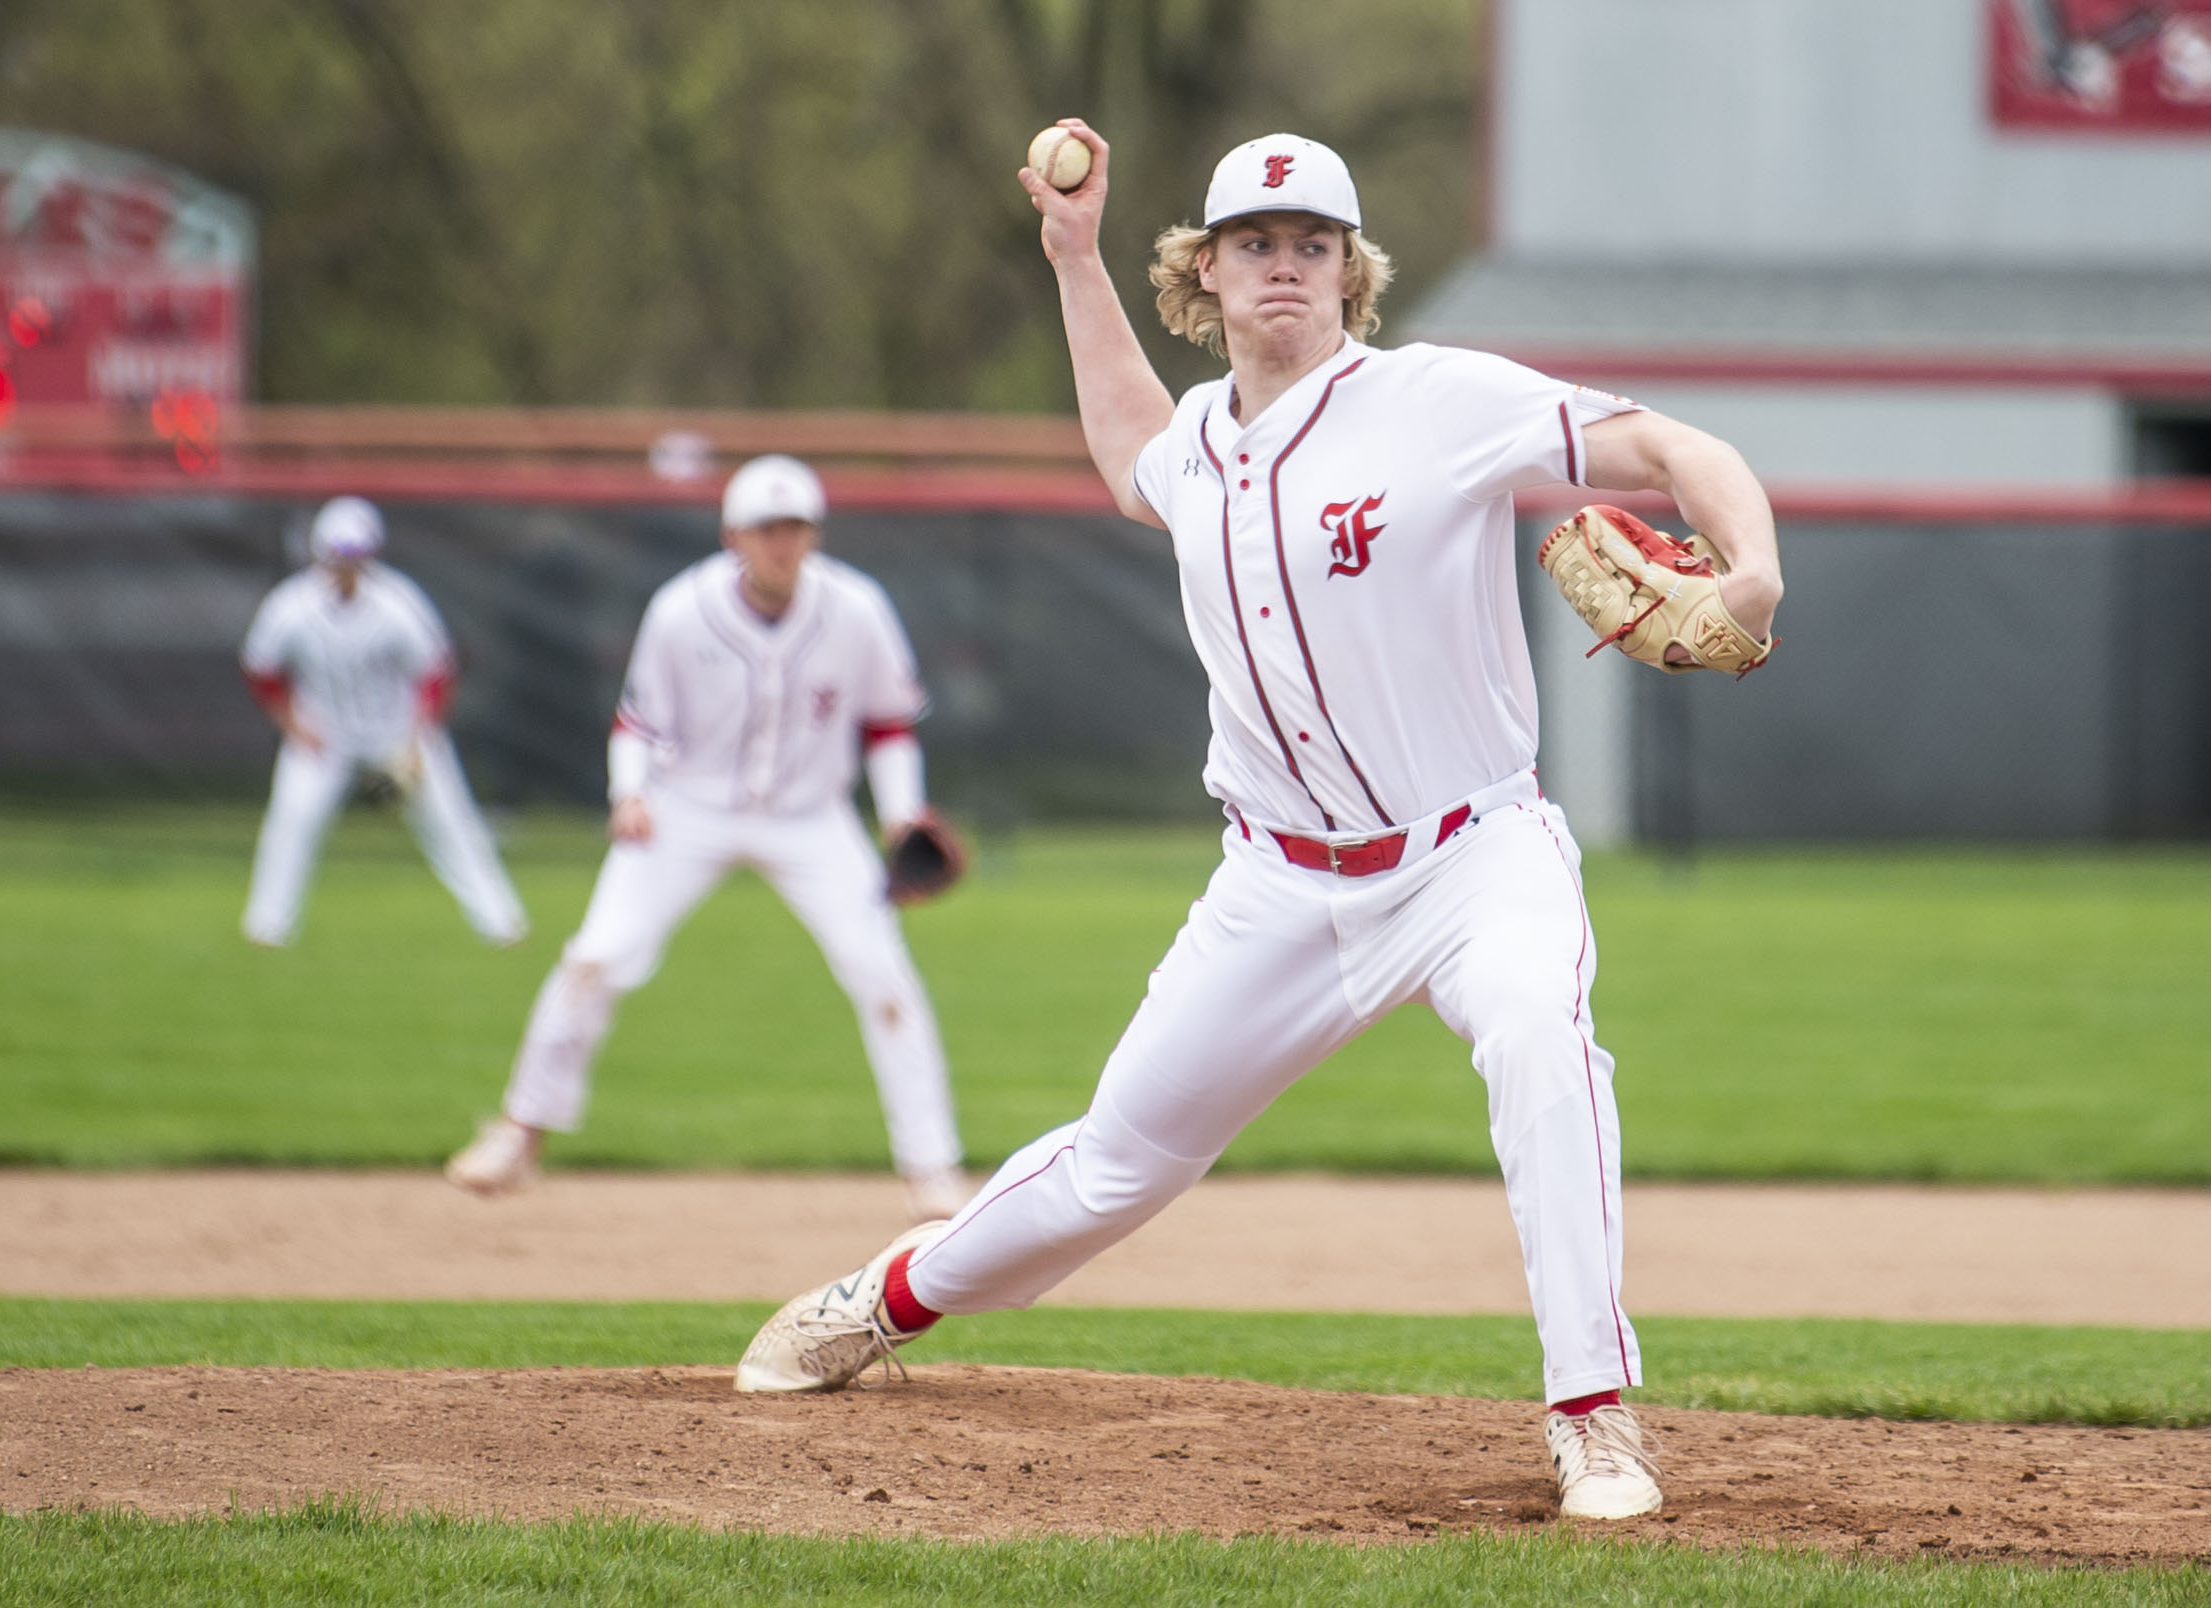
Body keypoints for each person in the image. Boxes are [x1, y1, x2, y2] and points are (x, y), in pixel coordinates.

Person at [731, 126, 1784, 1524]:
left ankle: (1594, 1416)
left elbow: (1667, 443)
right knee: (1115, 1164)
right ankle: (888, 1295)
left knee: (1542, 1037)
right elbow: (1126, 446)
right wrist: (1068, 255)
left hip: (1474, 854)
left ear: (1351, 275)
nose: (1284, 265)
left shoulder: (1435, 399)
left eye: (1312, 245)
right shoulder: (1197, 450)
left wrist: (1755, 568)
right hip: (1275, 890)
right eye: (1254, 244)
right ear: (1206, 274)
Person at [444, 455, 976, 1223]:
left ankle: (932, 1168)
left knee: (882, 974)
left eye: (794, 527)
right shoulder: (681, 609)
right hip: (687, 807)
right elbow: (638, 722)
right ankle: (519, 1133)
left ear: (813, 533)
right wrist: (629, 794)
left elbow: (888, 723)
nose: (782, 544)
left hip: (811, 817)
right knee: (597, 957)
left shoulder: (857, 609)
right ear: (733, 535)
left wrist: (902, 815)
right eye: (766, 529)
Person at [239, 496, 528, 948]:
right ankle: (267, 928)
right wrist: (292, 723)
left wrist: (418, 739)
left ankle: (501, 923)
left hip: (398, 732)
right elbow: (261, 669)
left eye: (355, 556)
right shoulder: (291, 605)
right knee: (292, 820)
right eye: (338, 556)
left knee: (452, 822)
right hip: (325, 734)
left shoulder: (398, 602)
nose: (346, 567)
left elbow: (436, 672)